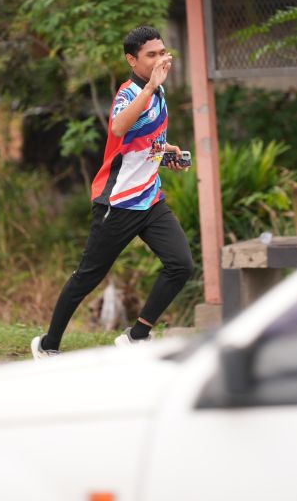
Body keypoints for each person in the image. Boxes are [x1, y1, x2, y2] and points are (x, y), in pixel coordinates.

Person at [31, 25, 194, 358]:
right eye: (151, 55)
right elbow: (119, 128)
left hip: (150, 200)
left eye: (162, 52)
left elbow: (142, 144)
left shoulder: (158, 91)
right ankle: (47, 345)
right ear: (132, 60)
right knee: (87, 277)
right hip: (117, 203)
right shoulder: (129, 93)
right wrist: (151, 86)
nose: (161, 59)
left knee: (181, 265)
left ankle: (137, 336)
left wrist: (167, 154)